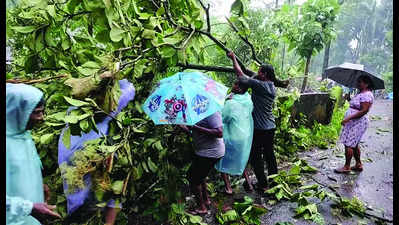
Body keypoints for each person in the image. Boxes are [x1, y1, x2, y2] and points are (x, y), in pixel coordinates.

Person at [58, 79, 135, 224]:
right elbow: (129, 89)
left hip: (79, 166)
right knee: (88, 200)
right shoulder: (104, 113)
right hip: (83, 165)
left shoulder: (74, 113)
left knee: (86, 196)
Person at [227, 51, 288, 192]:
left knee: (255, 156)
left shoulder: (261, 86)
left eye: (259, 71)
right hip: (270, 126)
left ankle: (263, 184)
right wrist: (255, 77)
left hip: (260, 128)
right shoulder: (271, 85)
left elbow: (240, 75)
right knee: (269, 154)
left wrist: (233, 58)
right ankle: (274, 182)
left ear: (264, 74)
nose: (257, 73)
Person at [6, 83, 61, 225]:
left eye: (42, 112)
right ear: (17, 111)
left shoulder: (23, 135)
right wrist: (28, 208)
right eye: (36, 112)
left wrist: (38, 185)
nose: (41, 118)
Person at [180, 112, 225, 215]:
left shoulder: (212, 112)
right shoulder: (196, 112)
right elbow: (196, 133)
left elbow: (219, 132)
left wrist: (195, 127)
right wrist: (185, 128)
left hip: (210, 153)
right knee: (200, 175)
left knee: (192, 178)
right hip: (203, 151)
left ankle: (202, 207)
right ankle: (206, 200)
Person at [215, 82, 254, 194]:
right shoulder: (248, 99)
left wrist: (226, 102)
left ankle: (228, 188)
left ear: (240, 89)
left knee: (222, 160)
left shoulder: (231, 103)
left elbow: (223, 118)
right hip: (244, 135)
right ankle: (249, 183)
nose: (233, 85)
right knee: (242, 159)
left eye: (236, 85)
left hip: (232, 136)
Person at [335, 75, 374, 173]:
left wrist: (348, 118)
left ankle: (346, 167)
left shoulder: (367, 95)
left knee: (349, 144)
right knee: (354, 144)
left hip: (358, 122)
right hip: (353, 122)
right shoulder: (361, 93)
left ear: (366, 84)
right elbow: (356, 106)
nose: (358, 84)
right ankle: (358, 164)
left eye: (360, 82)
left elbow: (364, 110)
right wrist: (349, 99)